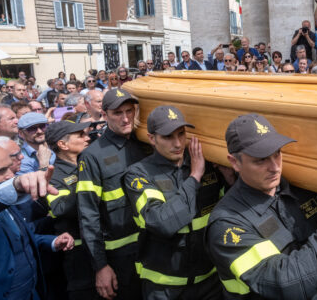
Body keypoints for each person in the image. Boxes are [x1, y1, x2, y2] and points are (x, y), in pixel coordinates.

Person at [205, 113, 317, 299]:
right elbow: (291, 284)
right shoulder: (227, 225)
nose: (275, 167)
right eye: (261, 160)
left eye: (277, 154)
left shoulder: (301, 192)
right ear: (235, 162)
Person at [124, 106, 225, 299]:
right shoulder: (139, 174)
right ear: (152, 139)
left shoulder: (206, 165)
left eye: (181, 134)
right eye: (168, 137)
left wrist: (230, 180)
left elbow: (227, 210)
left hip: (209, 282)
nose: (178, 143)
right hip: (164, 287)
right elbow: (162, 222)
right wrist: (194, 177)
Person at [77, 88, 151, 300]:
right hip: (120, 257)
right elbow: (88, 215)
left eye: (130, 111)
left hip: (154, 249)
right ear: (105, 113)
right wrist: (100, 266)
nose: (126, 118)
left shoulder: (145, 145)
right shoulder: (92, 156)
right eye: (118, 113)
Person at [0, 146, 75, 300]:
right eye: (0, 171)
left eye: (9, 168)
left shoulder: (9, 205)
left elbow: (24, 235)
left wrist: (52, 241)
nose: (9, 176)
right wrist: (16, 185)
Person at [44, 120, 96, 299]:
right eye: (80, 135)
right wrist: (87, 180)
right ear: (62, 144)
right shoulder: (53, 176)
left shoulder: (88, 163)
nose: (87, 138)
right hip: (78, 256)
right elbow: (60, 208)